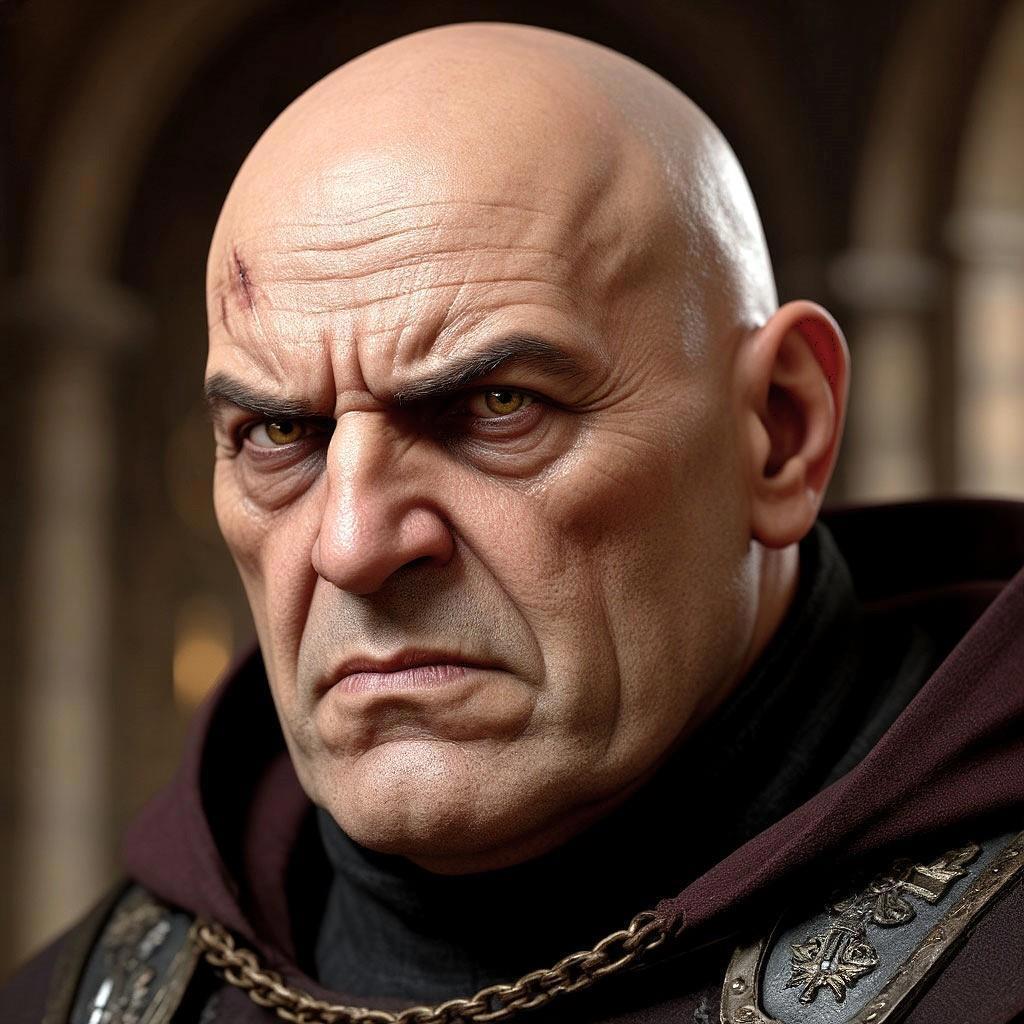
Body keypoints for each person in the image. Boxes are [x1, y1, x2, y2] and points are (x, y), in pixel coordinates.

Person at [4, 21, 1023, 1024]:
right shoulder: (81, 1003)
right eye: (280, 432)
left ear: (779, 430)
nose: (353, 545)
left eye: (497, 407)